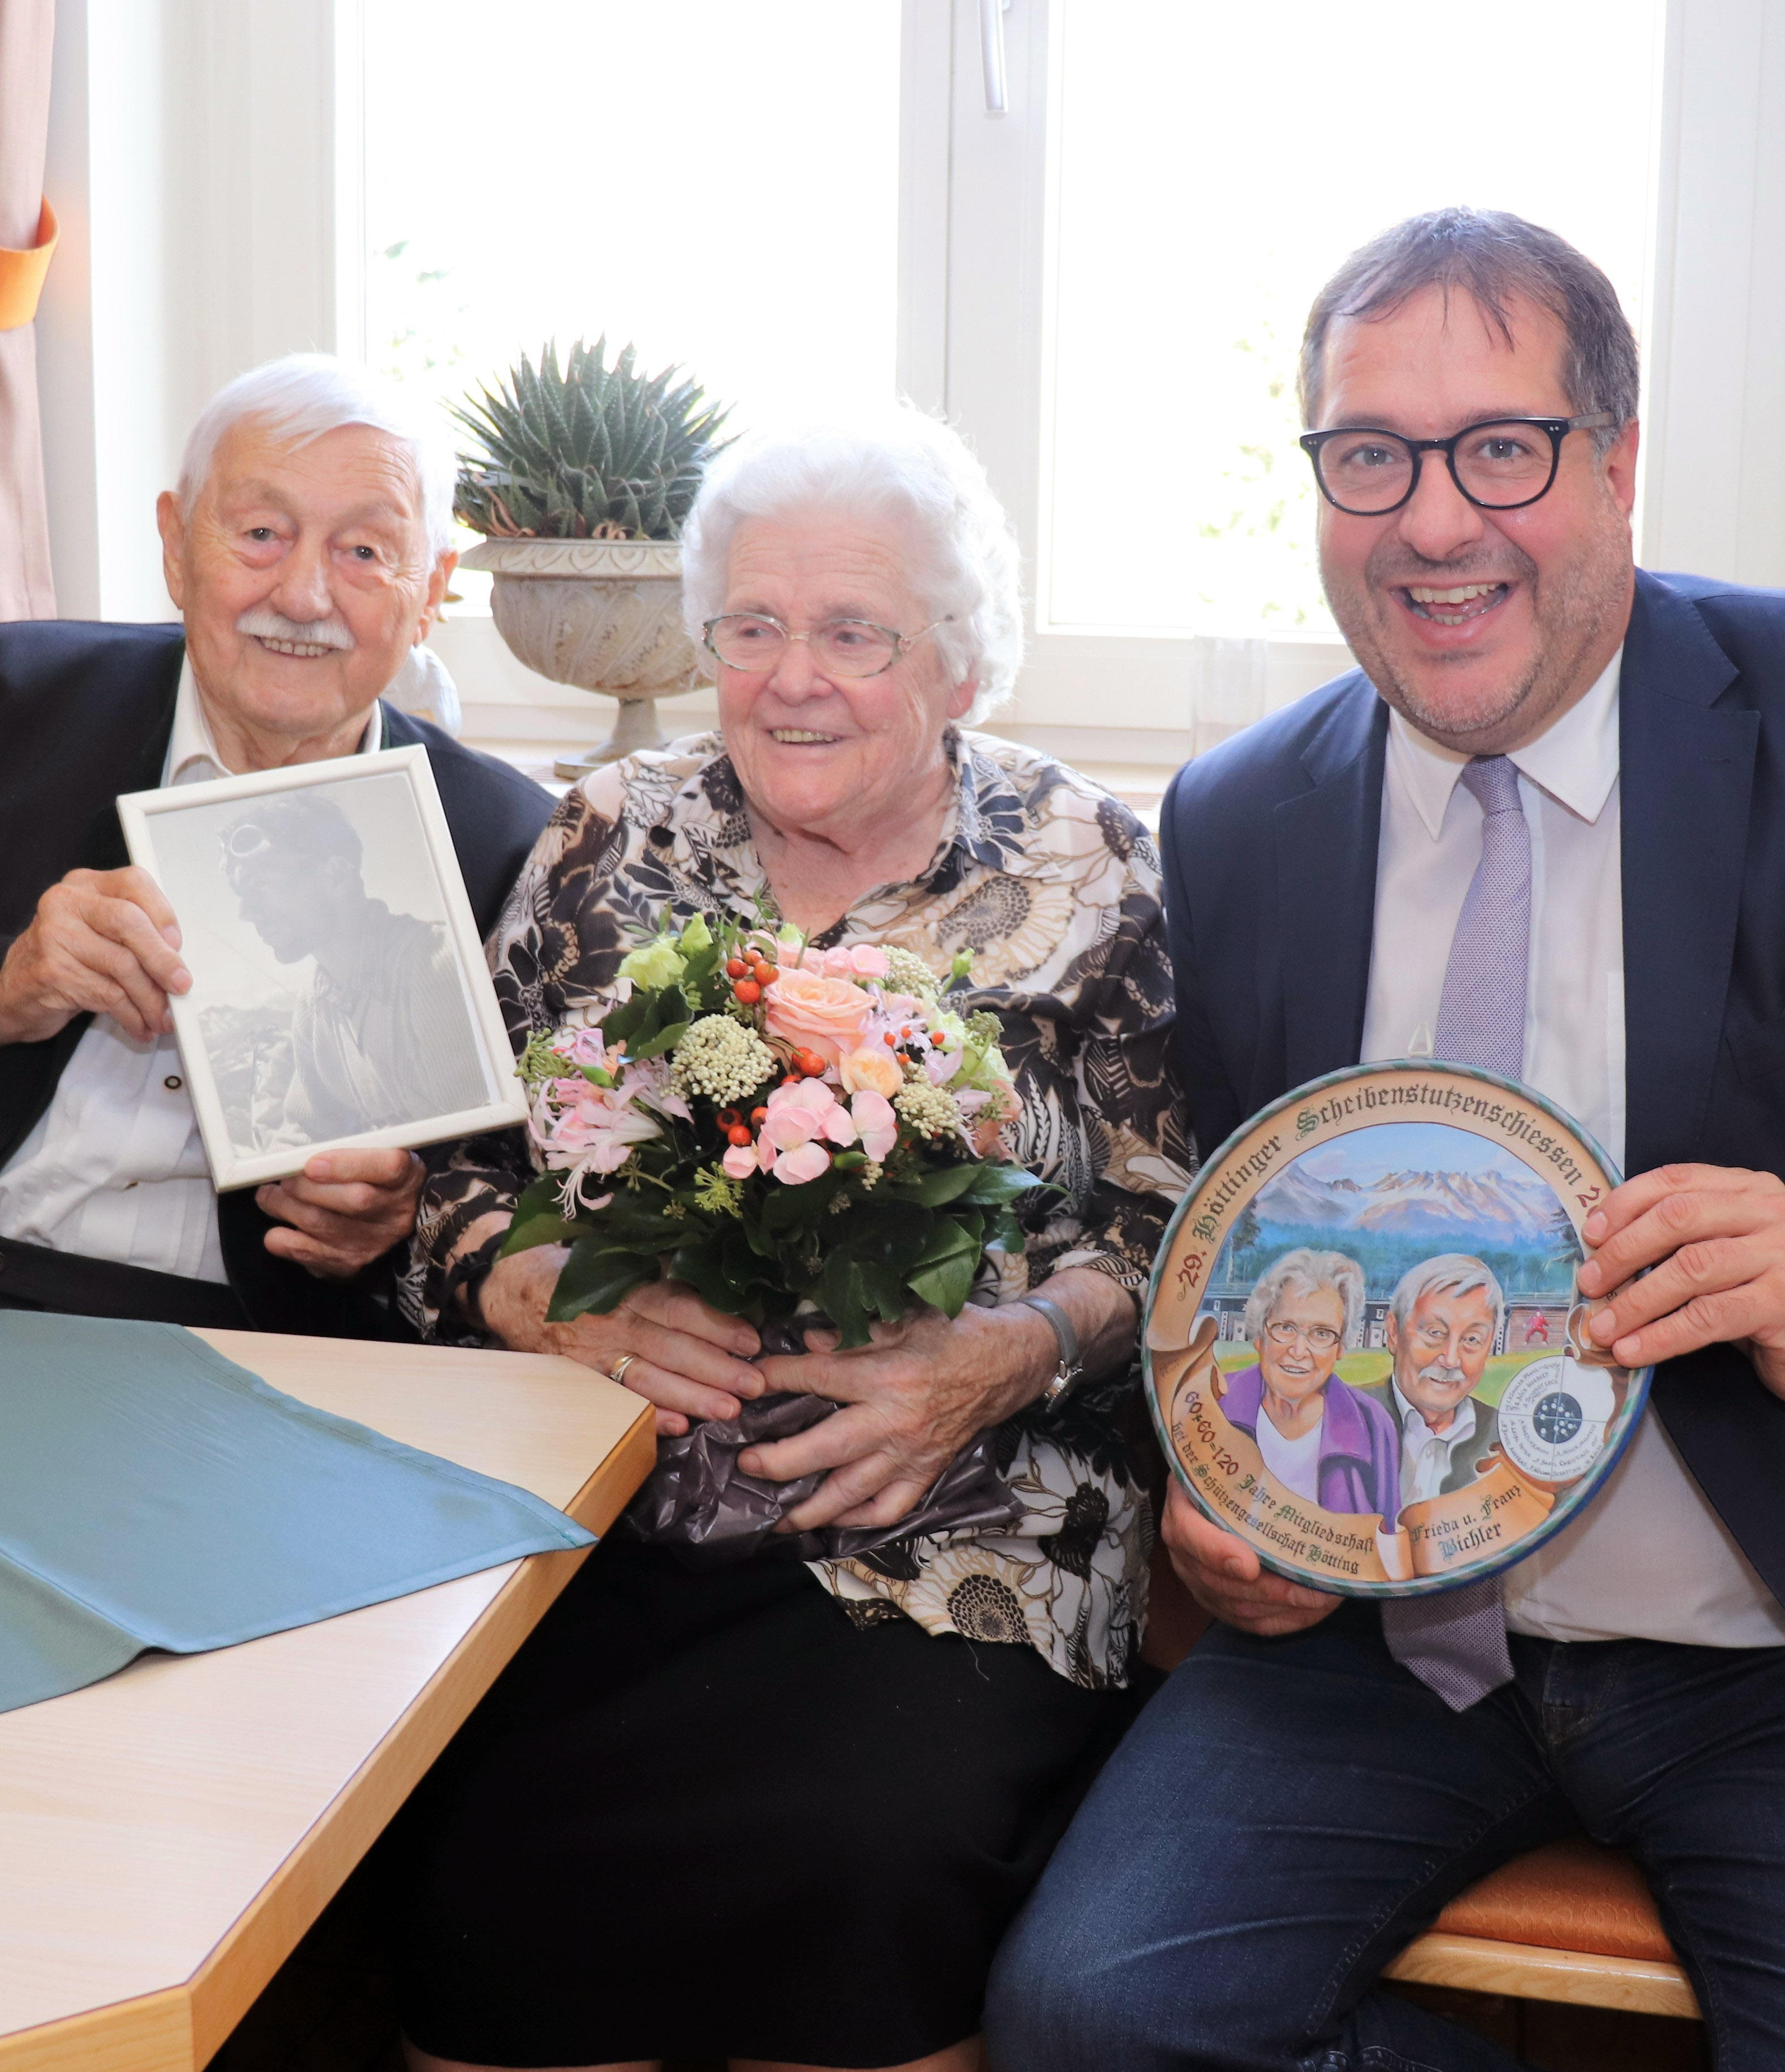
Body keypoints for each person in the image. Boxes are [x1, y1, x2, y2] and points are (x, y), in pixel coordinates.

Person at [989, 209, 1785, 2070]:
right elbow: (1248, 1249)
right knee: (1091, 2023)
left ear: (1616, 463)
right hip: (1385, 1649)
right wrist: (1231, 1505)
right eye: (1370, 455)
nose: (1433, 520)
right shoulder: (1241, 815)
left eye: (1501, 445)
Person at [380, 408, 1189, 2072]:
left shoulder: (1089, 867)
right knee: (475, 1850)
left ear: (960, 664)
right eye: (752, 626)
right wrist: (541, 1295)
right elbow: (439, 1188)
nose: (790, 676)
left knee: (868, 1853)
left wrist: (1003, 1357)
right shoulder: (607, 840)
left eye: (852, 632)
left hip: (958, 1534)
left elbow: (1178, 1222)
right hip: (611, 1523)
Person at [0, 354, 555, 1333]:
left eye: (364, 551)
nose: (307, 594)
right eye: (262, 534)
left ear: (432, 585)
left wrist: (403, 1218)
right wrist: (1, 984)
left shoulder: (504, 842)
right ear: (177, 548)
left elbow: (539, 1195)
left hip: (262, 1348)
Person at [214, 786, 494, 1150]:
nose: (246, 912)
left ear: (336, 875)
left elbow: (478, 1141)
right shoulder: (314, 1005)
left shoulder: (432, 965)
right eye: (242, 895)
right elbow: (306, 1131)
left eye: (263, 886)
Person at [1222, 1248, 1399, 1516]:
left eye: (1321, 1333)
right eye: (1286, 1328)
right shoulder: (1217, 1400)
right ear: (1261, 1335)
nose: (1299, 1350)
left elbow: (1388, 1537)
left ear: (1340, 1348)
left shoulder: (1372, 1423)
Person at [1376, 1252, 1502, 1507]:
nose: (1451, 1360)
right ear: (1393, 1333)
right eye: (1435, 1333)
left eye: (1472, 1340)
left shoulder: (1506, 1438)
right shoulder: (1342, 1416)